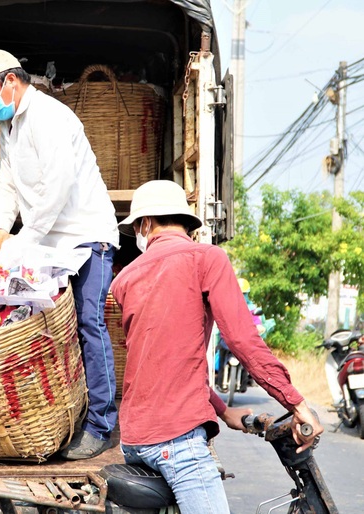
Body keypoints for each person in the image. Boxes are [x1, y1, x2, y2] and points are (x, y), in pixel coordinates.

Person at [110, 180, 324, 513]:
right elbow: (241, 339)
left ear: (146, 224)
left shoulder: (124, 279)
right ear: (184, 222)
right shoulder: (206, 258)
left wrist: (223, 411)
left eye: (137, 225)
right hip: (176, 442)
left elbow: (159, 361)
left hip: (134, 439)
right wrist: (296, 404)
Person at [0, 49, 121, 459]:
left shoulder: (48, 116)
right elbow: (7, 185)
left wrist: (24, 241)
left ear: (10, 81)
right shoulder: (10, 129)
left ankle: (101, 424)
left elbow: (57, 189)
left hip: (87, 237)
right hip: (48, 244)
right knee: (48, 328)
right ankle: (59, 415)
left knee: (88, 323)